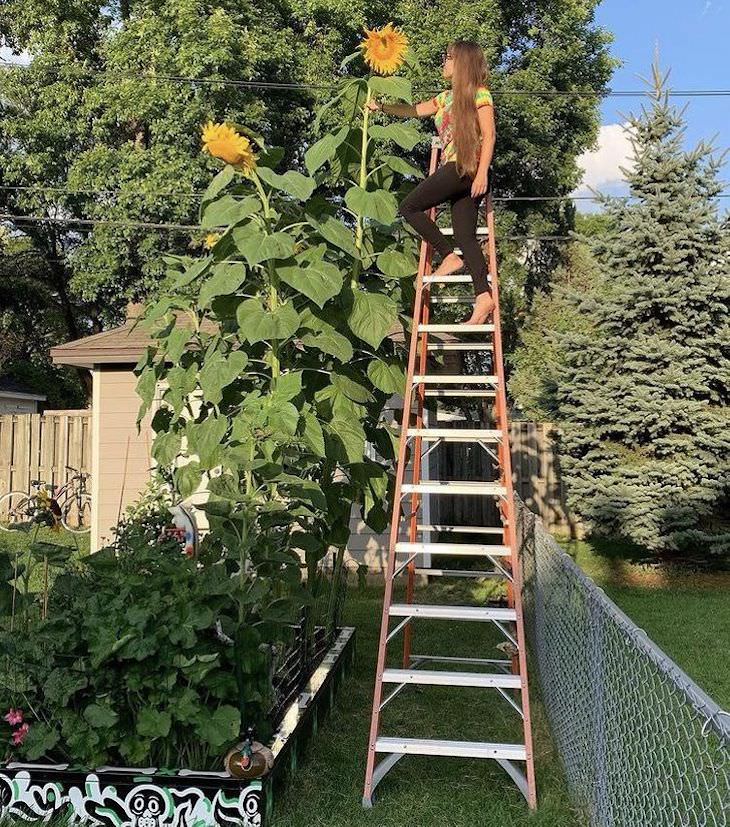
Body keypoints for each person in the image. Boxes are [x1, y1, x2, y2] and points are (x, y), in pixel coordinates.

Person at [367, 40, 496, 325]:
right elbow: (414, 110)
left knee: (409, 207)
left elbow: (489, 135)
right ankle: (483, 297)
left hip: (462, 168)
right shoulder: (444, 98)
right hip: (463, 174)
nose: (444, 63)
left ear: (461, 63)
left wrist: (484, 172)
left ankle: (448, 255)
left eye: (448, 58)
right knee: (466, 236)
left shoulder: (480, 94)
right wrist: (382, 107)